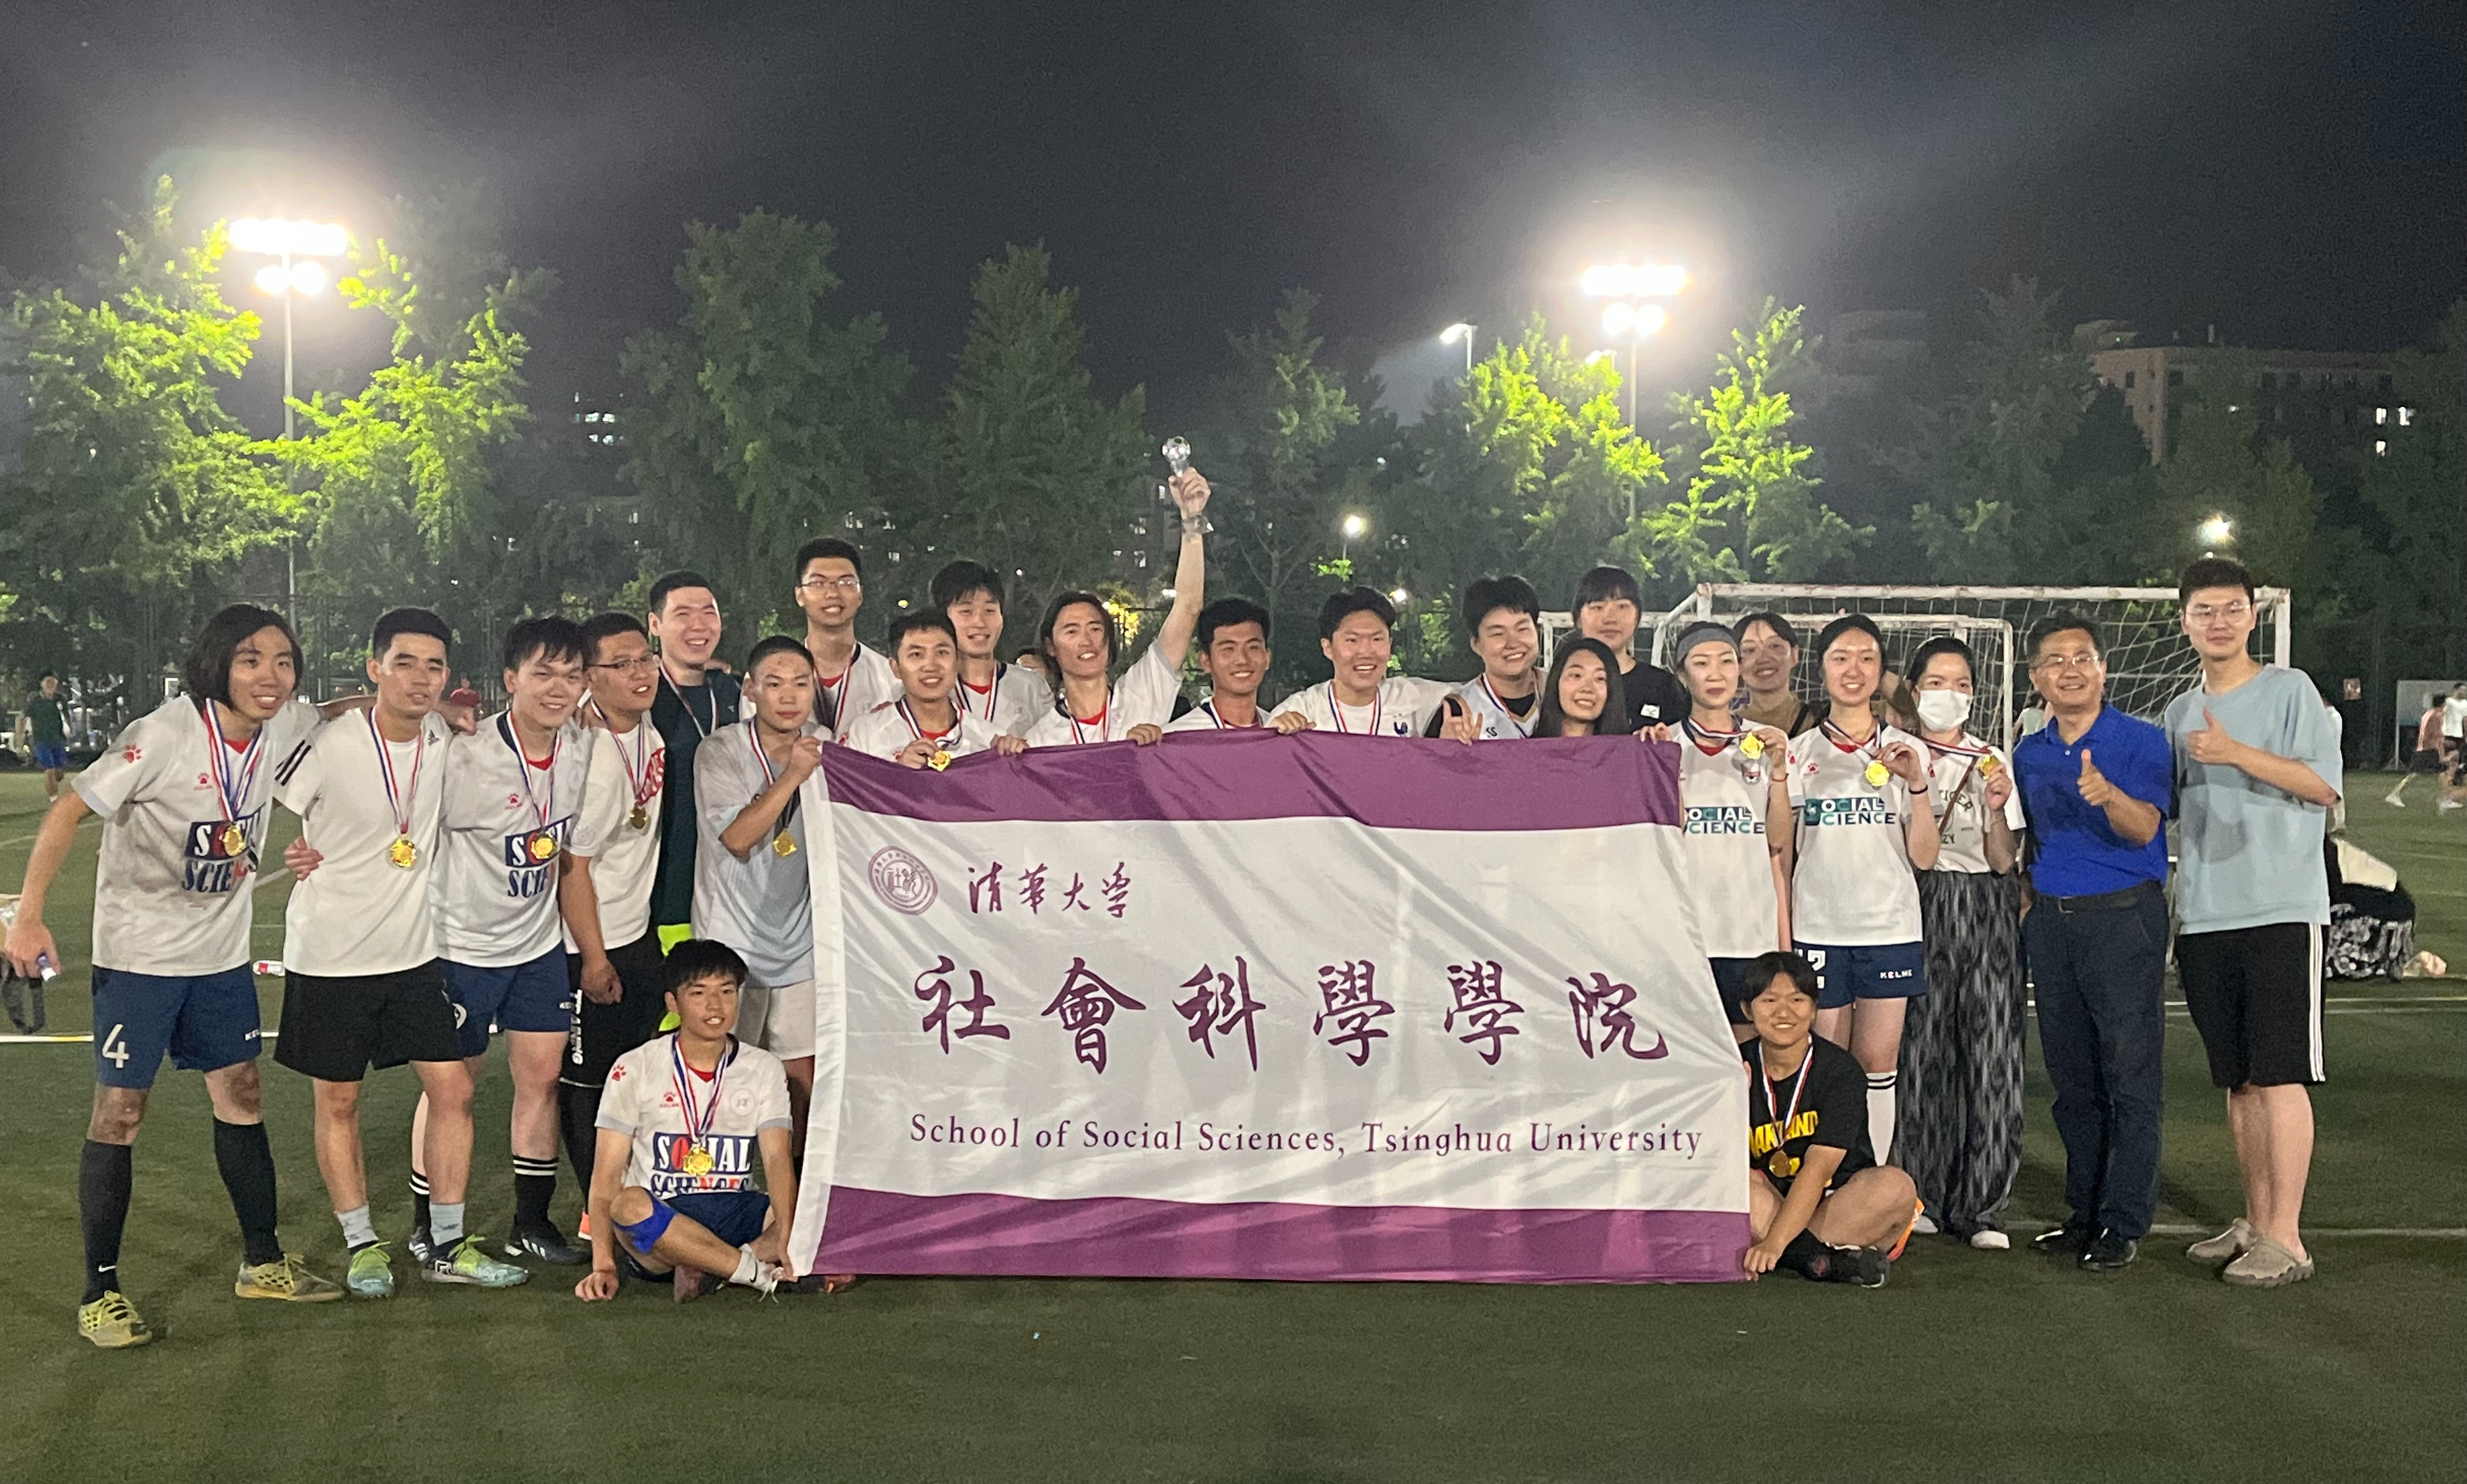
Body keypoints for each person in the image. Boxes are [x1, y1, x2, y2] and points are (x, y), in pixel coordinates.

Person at [6, 605, 347, 1348]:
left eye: (284, 661)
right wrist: (26, 918)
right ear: (217, 663)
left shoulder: (283, 722)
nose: (271, 675)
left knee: (243, 1092)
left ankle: (262, 1261)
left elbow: (340, 711)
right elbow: (68, 811)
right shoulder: (163, 734)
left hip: (219, 957)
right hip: (140, 960)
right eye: (251, 659)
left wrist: (423, 702)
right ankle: (100, 1291)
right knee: (121, 1111)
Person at [272, 609, 522, 1296]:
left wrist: (444, 708)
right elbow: (269, 783)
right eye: (404, 662)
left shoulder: (443, 735)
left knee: (454, 1088)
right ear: (375, 667)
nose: (420, 677)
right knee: (340, 1101)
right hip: (330, 953)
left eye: (434, 666)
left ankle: (447, 1242)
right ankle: (362, 1246)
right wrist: (297, 852)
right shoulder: (328, 742)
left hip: (414, 954)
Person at [2167, 557, 2342, 1287]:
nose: (2219, 621)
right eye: (2204, 610)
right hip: (2206, 913)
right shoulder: (2179, 711)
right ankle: (2256, 1219)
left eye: (2231, 608)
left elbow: (2323, 787)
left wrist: (2235, 752)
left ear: (2252, 615)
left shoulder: (2289, 689)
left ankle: (2287, 1236)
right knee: (2239, 1080)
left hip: (2280, 909)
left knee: (2279, 1073)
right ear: (2184, 620)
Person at [420, 616, 598, 1271]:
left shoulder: (580, 746)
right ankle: (427, 1225)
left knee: (542, 1078)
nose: (559, 688)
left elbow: (566, 849)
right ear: (511, 679)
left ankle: (530, 1221)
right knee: (453, 1090)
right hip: (461, 946)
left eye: (571, 675)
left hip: (537, 943)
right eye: (543, 673)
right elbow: (407, 825)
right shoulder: (467, 754)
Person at [2010, 613, 2172, 1273]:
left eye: (2082, 657)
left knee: (2129, 1074)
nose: (2070, 669)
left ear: (2104, 669)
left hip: (2122, 918)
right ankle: (2083, 1210)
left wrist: (2108, 796)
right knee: (2072, 1076)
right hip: (2054, 924)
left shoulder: (2141, 740)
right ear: (2036, 677)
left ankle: (2122, 1220)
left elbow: (2146, 829)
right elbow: (2028, 841)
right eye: (2056, 660)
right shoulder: (2028, 753)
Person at [1785, 614, 1937, 1167]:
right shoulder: (1798, 752)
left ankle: (1871, 1183)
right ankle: (1823, 1185)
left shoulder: (1908, 750)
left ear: (1881, 671)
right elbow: (1785, 849)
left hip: (1889, 927)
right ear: (1821, 669)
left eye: (1867, 658)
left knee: (1878, 1064)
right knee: (1825, 1062)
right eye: (1841, 658)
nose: (1854, 669)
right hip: (1819, 926)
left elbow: (1925, 856)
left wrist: (1915, 784)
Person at [575, 939, 797, 1302]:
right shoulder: (634, 1067)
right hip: (663, 1218)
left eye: (727, 991)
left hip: (736, 1210)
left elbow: (776, 1159)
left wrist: (787, 1232)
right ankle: (754, 1271)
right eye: (699, 993)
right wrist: (604, 1266)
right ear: (672, 1003)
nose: (715, 1006)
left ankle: (711, 1269)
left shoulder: (763, 1067)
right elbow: (606, 1176)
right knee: (628, 1206)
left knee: (810, 1207)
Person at [1897, 636, 2026, 1250]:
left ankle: (1983, 1205)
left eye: (1962, 684)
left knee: (1993, 1049)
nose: (1949, 694)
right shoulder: (1896, 753)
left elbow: (2003, 860)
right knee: (1921, 1051)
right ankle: (1918, 1191)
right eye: (1936, 682)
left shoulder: (1991, 759)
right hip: (1921, 900)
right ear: (1914, 689)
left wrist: (1996, 808)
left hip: (1986, 905)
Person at [556, 613, 673, 1222]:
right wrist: (594, 959)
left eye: (644, 659)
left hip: (637, 933)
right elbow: (571, 867)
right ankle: (593, 1211)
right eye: (620, 664)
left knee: (633, 1076)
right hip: (587, 945)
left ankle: (631, 1195)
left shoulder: (645, 727)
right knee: (588, 1084)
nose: (639, 673)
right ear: (590, 676)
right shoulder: (586, 752)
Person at [694, 637, 824, 1141]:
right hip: (731, 939)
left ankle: (798, 1182)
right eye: (774, 684)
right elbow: (738, 838)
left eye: (800, 683)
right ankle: (724, 1178)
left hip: (800, 940)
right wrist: (794, 775)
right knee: (725, 1071)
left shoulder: (827, 745)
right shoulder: (719, 751)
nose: (789, 696)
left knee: (802, 1077)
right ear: (750, 689)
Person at [1738, 951, 1918, 1288]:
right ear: (1748, 1010)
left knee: (1895, 1187)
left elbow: (1819, 1168)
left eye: (1797, 1000)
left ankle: (1791, 1253)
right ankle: (1824, 1262)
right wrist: (1731, 1100)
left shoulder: (1841, 1071)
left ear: (1814, 1009)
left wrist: (1775, 1242)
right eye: (1769, 1001)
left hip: (1834, 1203)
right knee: (1734, 1183)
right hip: (1768, 1200)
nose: (1783, 1012)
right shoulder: (1734, 1068)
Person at [1665, 623, 1793, 1038]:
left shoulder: (1767, 742)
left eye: (1726, 661)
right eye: (1701, 664)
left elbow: (1777, 840)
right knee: (1691, 1053)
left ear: (1739, 669)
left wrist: (1779, 772)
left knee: (1748, 1055)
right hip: (1686, 934)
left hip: (1749, 933)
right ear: (1683, 675)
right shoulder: (1664, 745)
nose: (1716, 673)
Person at [1024, 467, 1213, 747]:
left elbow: (1188, 606)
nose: (1087, 640)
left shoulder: (1141, 694)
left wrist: (1192, 520)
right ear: (1051, 646)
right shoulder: (1040, 741)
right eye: (1072, 631)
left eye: (1095, 628)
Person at [646, 572, 740, 953]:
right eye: (683, 614)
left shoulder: (734, 692)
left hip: (732, 892)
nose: (698, 625)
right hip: (664, 895)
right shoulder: (640, 698)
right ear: (655, 624)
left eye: (708, 613)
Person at [1267, 588, 1460, 737]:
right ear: (1328, 648)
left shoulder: (1411, 696)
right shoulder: (1302, 711)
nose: (1366, 652)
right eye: (1352, 640)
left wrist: (1459, 717)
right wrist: (1274, 737)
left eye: (1377, 639)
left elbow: (1471, 692)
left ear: (1390, 644)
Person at [843, 612, 1028, 765]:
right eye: (917, 655)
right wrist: (897, 775)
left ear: (957, 661)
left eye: (942, 653)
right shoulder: (865, 734)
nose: (931, 665)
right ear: (896, 668)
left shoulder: (990, 740)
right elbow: (849, 796)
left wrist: (1020, 762)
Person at [931, 559, 1055, 737]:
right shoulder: (927, 686)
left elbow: (1053, 747)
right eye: (966, 611)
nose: (979, 622)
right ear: (943, 618)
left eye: (990, 611)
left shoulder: (1031, 686)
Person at [792, 537, 898, 737]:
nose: (833, 593)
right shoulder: (769, 679)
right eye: (818, 583)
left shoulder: (890, 679)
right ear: (800, 595)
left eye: (846, 583)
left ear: (860, 595)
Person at [1571, 566, 1689, 729]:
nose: (1610, 619)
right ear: (1578, 619)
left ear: (1638, 617)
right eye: (1598, 607)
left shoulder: (1664, 687)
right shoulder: (1562, 685)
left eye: (1622, 607)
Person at [1164, 598, 1295, 733]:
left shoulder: (1280, 731)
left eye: (1253, 647)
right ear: (1206, 661)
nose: (1242, 660)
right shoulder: (1181, 736)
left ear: (1267, 658)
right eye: (1228, 649)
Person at [1445, 576, 1544, 738]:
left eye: (1522, 629)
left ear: (1538, 632)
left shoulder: (1566, 691)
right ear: (1476, 644)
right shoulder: (1456, 711)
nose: (1513, 643)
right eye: (1498, 634)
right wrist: (1447, 748)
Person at [1735, 610, 1821, 737]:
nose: (1763, 659)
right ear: (1737, 664)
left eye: (1775, 646)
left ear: (1794, 655)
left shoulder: (1821, 722)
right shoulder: (1727, 730)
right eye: (1750, 650)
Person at [1529, 636, 1632, 738]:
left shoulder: (1629, 747)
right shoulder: (1528, 747)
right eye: (1577, 676)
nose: (1587, 689)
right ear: (1556, 681)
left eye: (1600, 678)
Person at [2386, 692, 2444, 807]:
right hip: (2429, 749)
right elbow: (2434, 734)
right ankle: (2395, 794)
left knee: (2444, 771)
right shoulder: (2436, 716)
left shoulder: (2428, 713)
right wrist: (2440, 749)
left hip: (2424, 748)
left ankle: (2446, 797)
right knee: (2415, 774)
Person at [26, 671, 70, 802]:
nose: (51, 685)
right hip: (41, 739)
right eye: (48, 682)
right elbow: (23, 717)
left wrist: (69, 727)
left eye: (53, 682)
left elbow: (66, 714)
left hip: (58, 738)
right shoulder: (34, 700)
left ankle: (56, 789)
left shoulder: (60, 699)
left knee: (59, 772)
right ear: (41, 684)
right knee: (49, 769)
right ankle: (54, 798)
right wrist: (22, 737)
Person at [2442, 683, 2467, 812]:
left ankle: (2449, 796)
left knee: (2457, 767)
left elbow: (2465, 720)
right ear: (2456, 690)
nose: (2464, 692)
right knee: (2452, 767)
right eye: (2462, 690)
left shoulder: (2465, 704)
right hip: (2449, 736)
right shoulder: (2448, 702)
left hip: (2460, 737)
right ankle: (2447, 798)